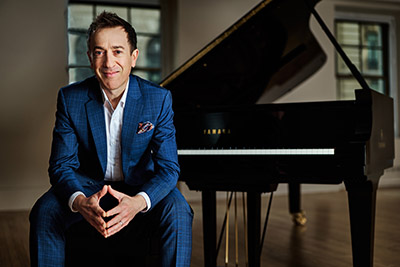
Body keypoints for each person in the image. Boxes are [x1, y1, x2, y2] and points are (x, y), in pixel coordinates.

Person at [29, 11, 193, 266]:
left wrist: (139, 202)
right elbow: (61, 165)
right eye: (99, 52)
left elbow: (169, 169)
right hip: (87, 186)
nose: (108, 62)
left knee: (179, 210)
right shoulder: (70, 98)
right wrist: (80, 201)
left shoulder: (158, 99)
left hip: (139, 186)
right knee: (45, 210)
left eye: (117, 51)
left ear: (133, 57)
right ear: (89, 58)